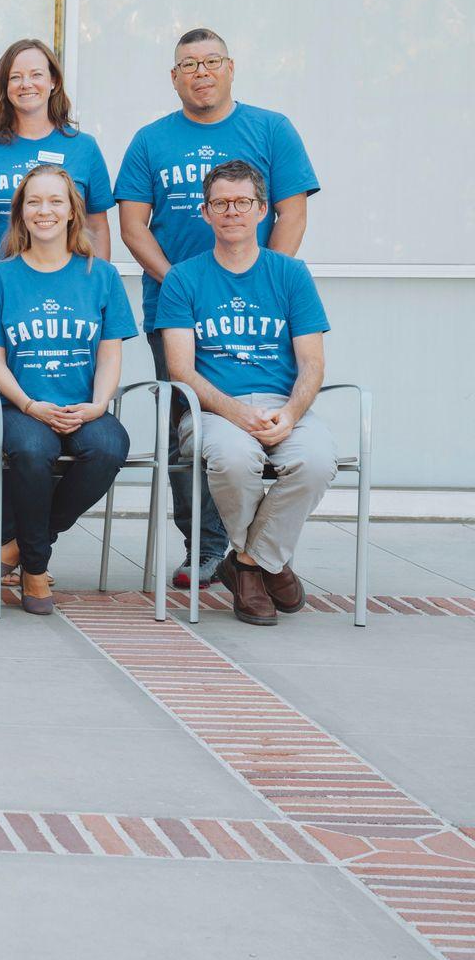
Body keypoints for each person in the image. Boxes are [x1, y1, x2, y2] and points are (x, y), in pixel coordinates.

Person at [116, 27, 318, 588]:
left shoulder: (271, 129)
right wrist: (186, 290)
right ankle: (206, 551)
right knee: (191, 436)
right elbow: (133, 227)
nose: (201, 72)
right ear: (174, 77)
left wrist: (262, 288)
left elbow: (292, 214)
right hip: (175, 314)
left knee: (260, 433)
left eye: (211, 61)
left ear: (231, 68)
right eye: (188, 64)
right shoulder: (150, 140)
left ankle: (252, 555)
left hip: (261, 317)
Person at [158, 161, 336, 627]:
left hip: (283, 406)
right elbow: (180, 369)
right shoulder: (182, 278)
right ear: (205, 211)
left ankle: (251, 564)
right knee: (235, 460)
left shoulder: (291, 274)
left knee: (316, 461)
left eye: (242, 203)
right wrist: (236, 412)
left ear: (262, 211)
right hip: (213, 409)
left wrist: (293, 414)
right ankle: (265, 566)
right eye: (220, 203)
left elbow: (313, 363)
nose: (231, 212)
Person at [0, 166, 136, 615]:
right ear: (20, 212)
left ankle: (19, 546)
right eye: (34, 201)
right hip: (15, 406)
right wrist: (28, 403)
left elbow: (110, 354)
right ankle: (35, 571)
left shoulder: (102, 276)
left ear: (73, 211)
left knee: (110, 447)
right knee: (32, 451)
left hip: (81, 404)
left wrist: (98, 406)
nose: (45, 211)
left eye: (56, 201)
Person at [0, 39, 114, 378]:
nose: (26, 84)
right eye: (15, 77)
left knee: (68, 409)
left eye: (36, 74)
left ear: (53, 82)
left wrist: (97, 290)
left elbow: (97, 225)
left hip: (68, 306)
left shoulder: (83, 149)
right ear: (4, 87)